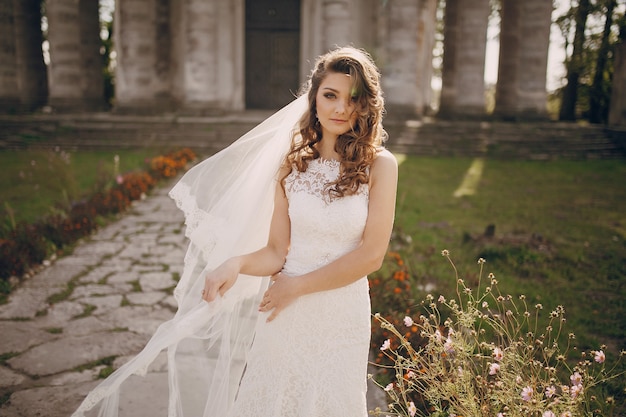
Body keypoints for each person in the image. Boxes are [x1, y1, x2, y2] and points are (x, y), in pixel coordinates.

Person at [72, 46, 397, 417]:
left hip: (340, 312)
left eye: (353, 98)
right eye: (330, 95)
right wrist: (235, 263)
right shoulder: (292, 166)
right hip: (284, 313)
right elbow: (277, 250)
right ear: (314, 98)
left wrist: (296, 286)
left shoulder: (380, 166)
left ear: (367, 104)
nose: (341, 109)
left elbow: (372, 255)